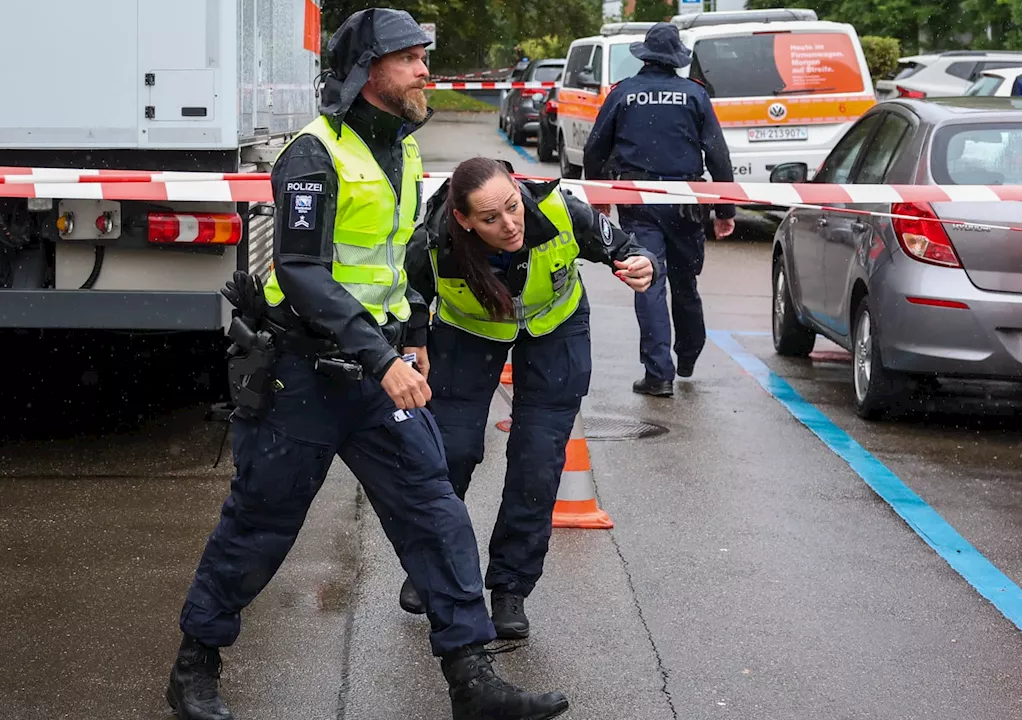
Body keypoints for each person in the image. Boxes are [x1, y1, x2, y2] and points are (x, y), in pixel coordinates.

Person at [166, 10, 569, 720]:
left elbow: (394, 259)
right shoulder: (312, 155)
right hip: (304, 375)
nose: (424, 70)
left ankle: (472, 680)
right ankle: (196, 663)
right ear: (368, 71)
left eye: (423, 57)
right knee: (260, 524)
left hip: (377, 371)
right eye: (409, 59)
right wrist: (382, 356)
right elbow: (301, 273)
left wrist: (412, 328)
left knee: (436, 514)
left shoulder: (403, 153)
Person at [395, 157, 656, 638]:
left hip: (555, 328)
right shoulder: (435, 239)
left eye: (513, 208)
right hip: (467, 333)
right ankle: (430, 569)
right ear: (464, 220)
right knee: (451, 452)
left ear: (519, 190)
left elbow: (628, 249)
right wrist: (413, 339)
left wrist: (642, 266)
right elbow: (408, 289)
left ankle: (510, 587)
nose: (509, 225)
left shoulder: (562, 211)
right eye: (490, 220)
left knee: (537, 460)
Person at [582, 22, 736, 397]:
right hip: (685, 202)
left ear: (644, 56)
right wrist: (725, 211)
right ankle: (687, 355)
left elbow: (595, 149)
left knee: (647, 282)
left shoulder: (623, 93)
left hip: (637, 200)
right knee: (685, 283)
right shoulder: (694, 95)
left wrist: (597, 194)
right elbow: (717, 154)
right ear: (675, 59)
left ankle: (659, 374)